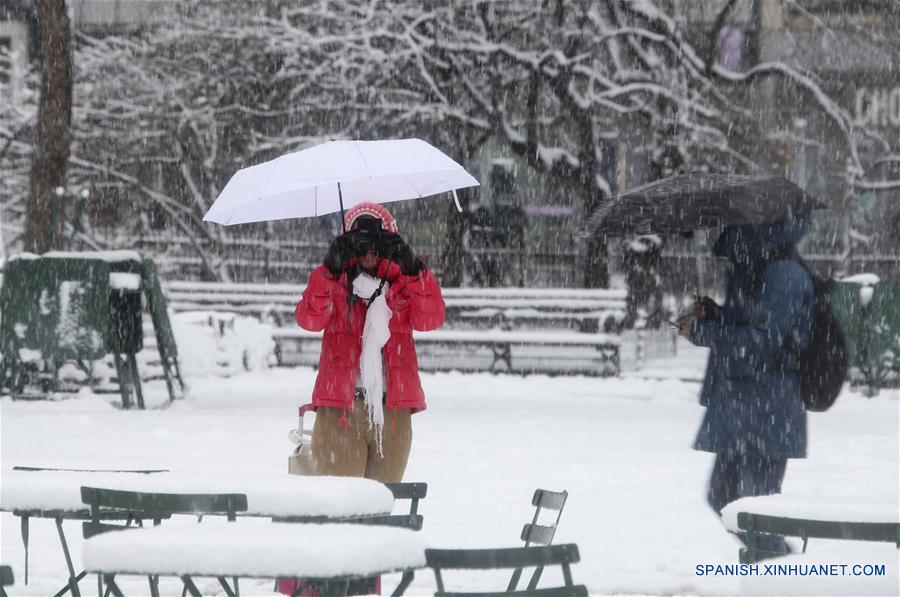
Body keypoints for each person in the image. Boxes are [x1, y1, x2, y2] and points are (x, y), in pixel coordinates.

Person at [678, 213, 814, 554]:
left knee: (757, 513)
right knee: (722, 497)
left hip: (767, 407)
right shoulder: (756, 267)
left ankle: (776, 571)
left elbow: (765, 342)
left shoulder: (784, 274)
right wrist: (715, 315)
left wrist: (703, 332)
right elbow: (751, 325)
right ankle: (780, 562)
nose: (726, 232)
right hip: (742, 404)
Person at [295, 202, 445, 484]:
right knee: (339, 508)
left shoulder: (403, 284)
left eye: (376, 240)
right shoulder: (334, 281)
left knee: (383, 509)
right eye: (360, 240)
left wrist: (413, 268)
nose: (369, 250)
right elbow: (308, 320)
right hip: (339, 409)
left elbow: (431, 319)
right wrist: (330, 268)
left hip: (392, 414)